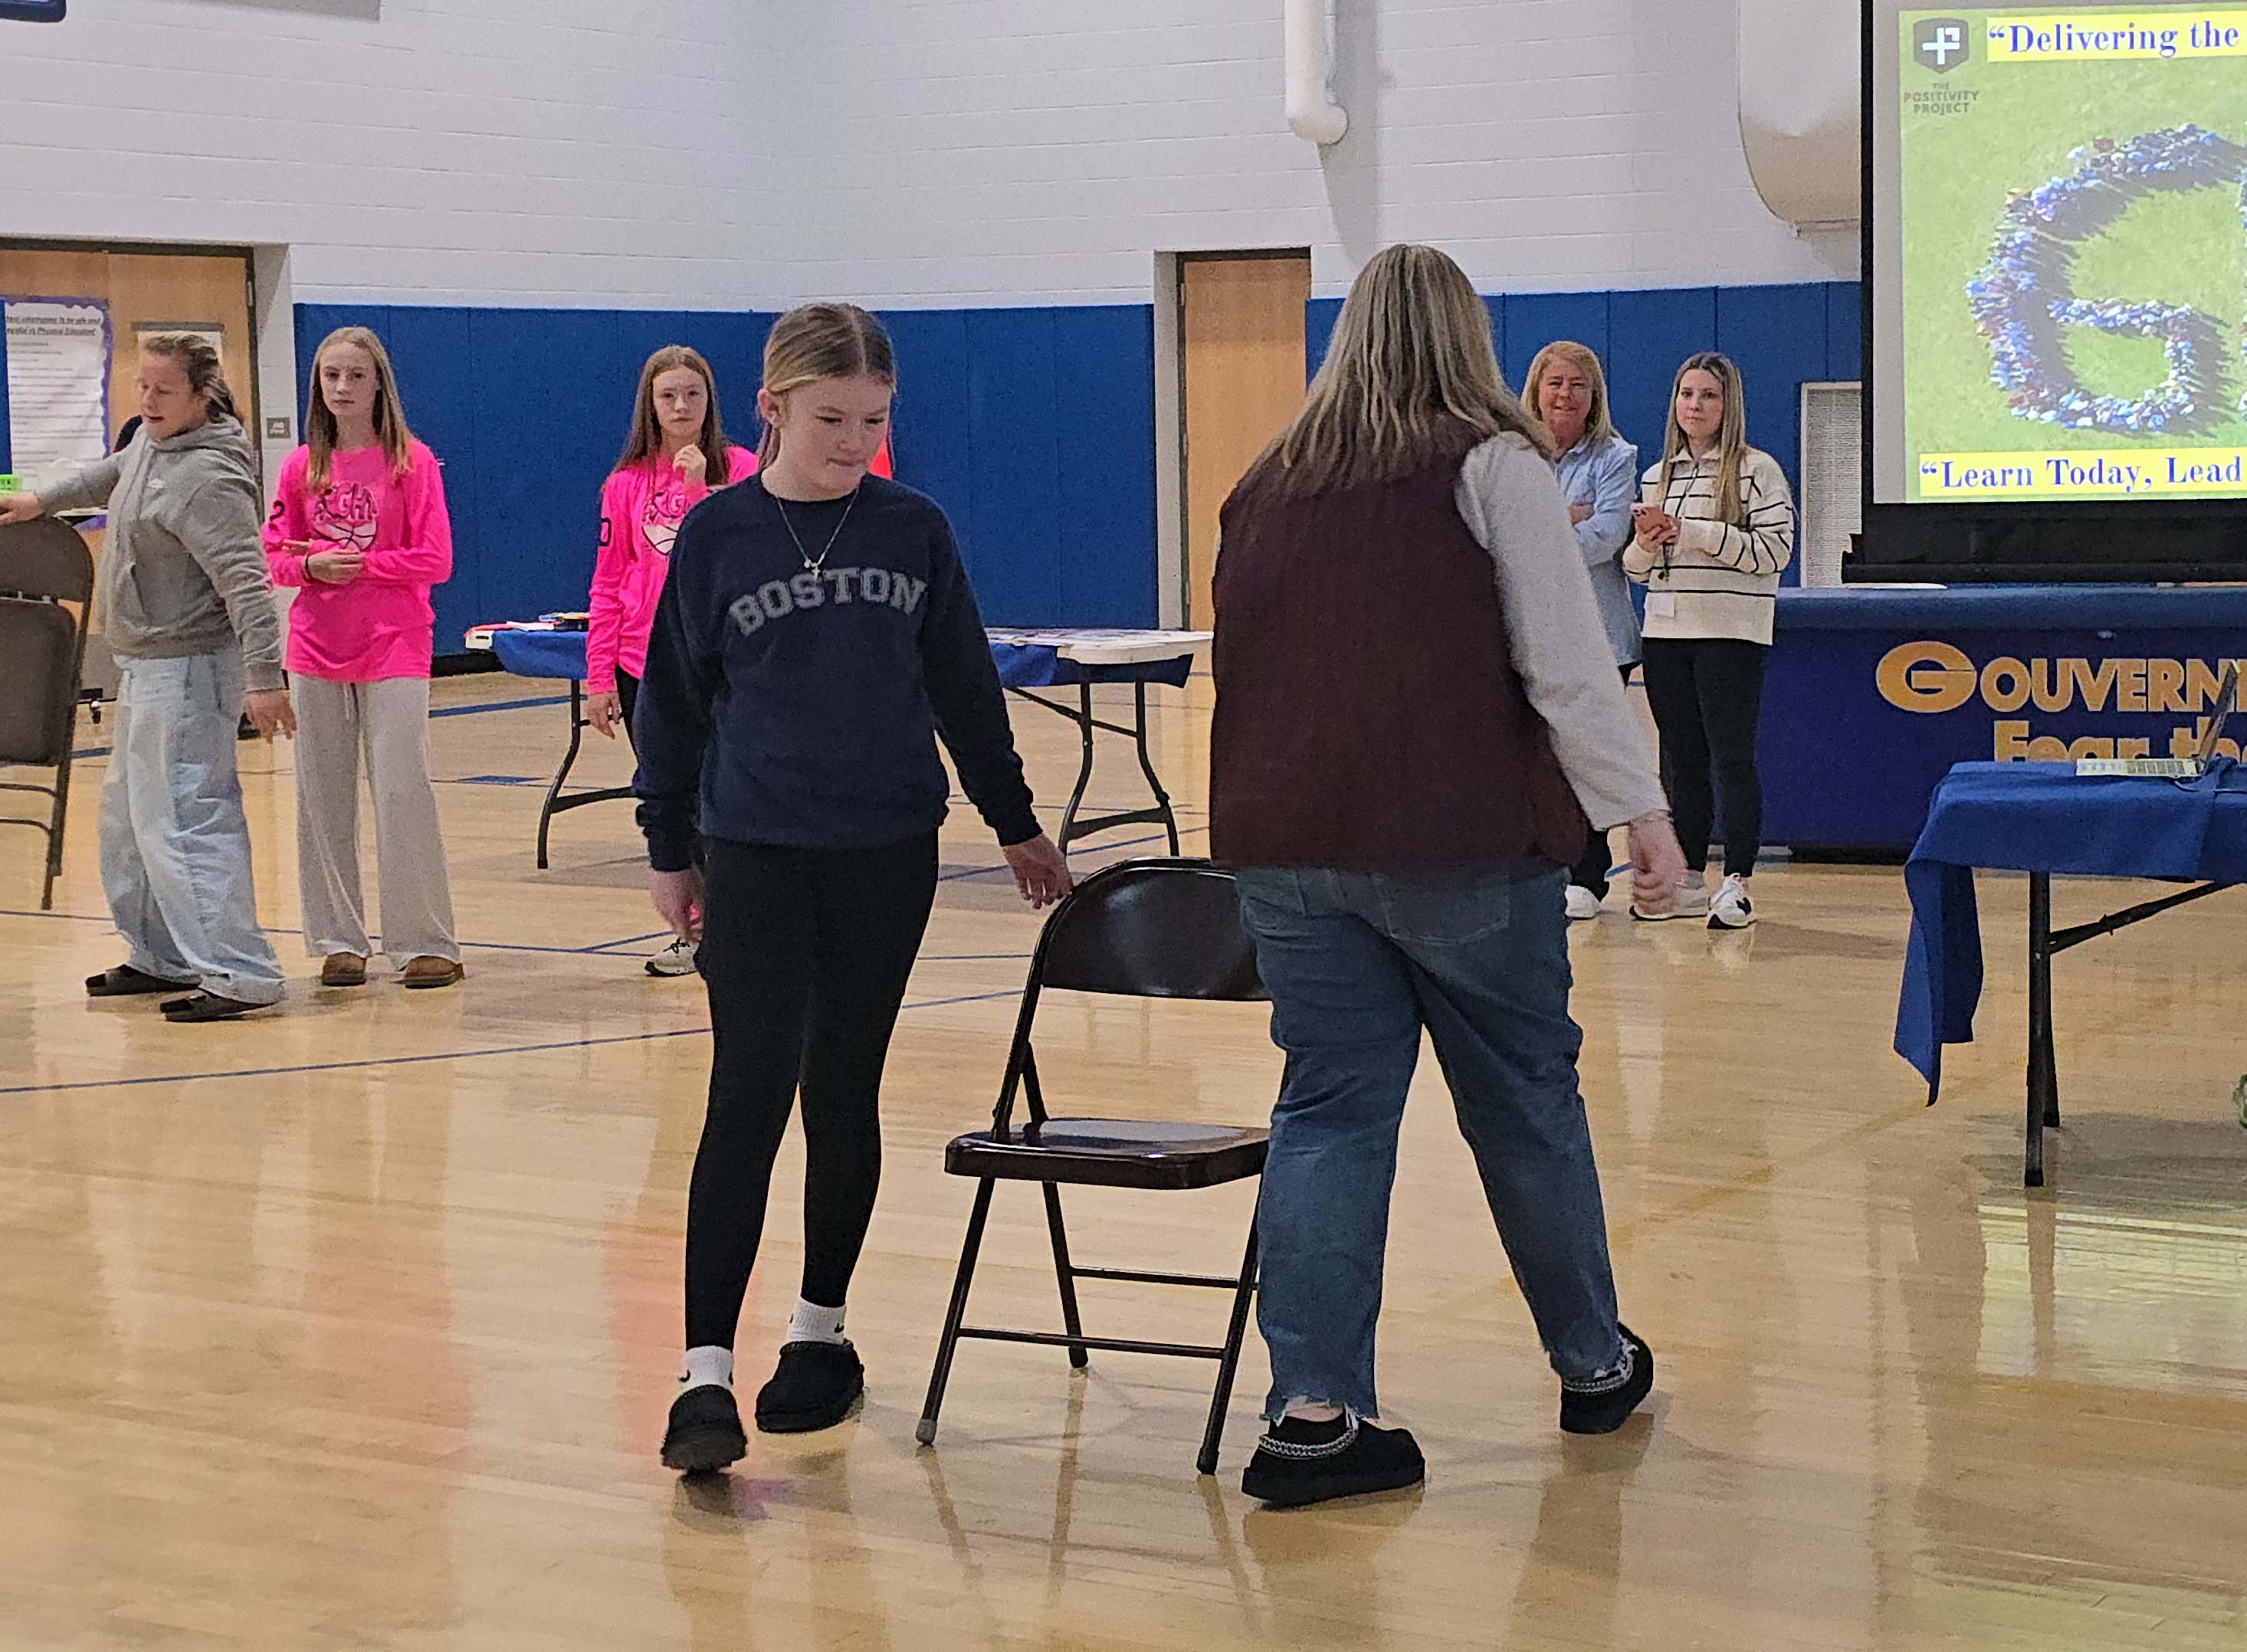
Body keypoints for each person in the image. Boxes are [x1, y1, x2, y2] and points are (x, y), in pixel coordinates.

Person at [1209, 244, 1686, 1509]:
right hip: (1459, 848)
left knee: (1330, 1108)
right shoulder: (1493, 464)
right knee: (1524, 1098)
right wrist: (1642, 815)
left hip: (1286, 852)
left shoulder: (1263, 481)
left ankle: (1311, 1414)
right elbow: (1566, 663)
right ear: (1465, 340)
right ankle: (1591, 1366)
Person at [632, 302, 1073, 1474]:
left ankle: (820, 1335)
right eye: (831, 419)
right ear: (772, 408)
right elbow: (670, 701)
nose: (853, 441)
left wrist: (1018, 825)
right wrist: (668, 844)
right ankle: (702, 1374)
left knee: (844, 1084)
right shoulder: (719, 535)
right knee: (748, 1089)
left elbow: (964, 687)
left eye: (873, 420)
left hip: (886, 850)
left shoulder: (912, 529)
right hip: (755, 848)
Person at [1, 334, 293, 1022]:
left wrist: (264, 677)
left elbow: (248, 587)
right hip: (145, 667)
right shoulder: (153, 445)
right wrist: (40, 501)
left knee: (189, 821)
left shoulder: (211, 479)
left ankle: (240, 972)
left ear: (201, 394)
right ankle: (159, 954)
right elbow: (114, 471)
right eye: (143, 388)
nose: (149, 401)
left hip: (190, 669)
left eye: (164, 391)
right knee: (128, 826)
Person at [263, 326, 462, 990]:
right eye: (331, 377)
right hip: (316, 647)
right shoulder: (300, 469)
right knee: (321, 793)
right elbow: (273, 555)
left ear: (379, 383)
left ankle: (423, 938)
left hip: (396, 642)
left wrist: (363, 567)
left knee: (403, 787)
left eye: (355, 376)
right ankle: (337, 938)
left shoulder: (414, 463)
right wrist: (313, 566)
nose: (343, 388)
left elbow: (434, 559)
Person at [585, 346, 759, 977]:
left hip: (720, 662)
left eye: (693, 394)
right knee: (671, 798)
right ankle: (693, 929)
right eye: (668, 397)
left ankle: (736, 928)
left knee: (727, 799)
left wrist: (695, 489)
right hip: (643, 663)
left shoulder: (741, 470)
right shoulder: (625, 483)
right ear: (650, 405)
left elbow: (735, 553)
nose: (681, 407)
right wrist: (599, 674)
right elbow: (608, 582)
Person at [1623, 352, 1795, 929]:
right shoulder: (1656, 475)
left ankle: (1738, 882)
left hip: (1731, 632)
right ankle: (1690, 877)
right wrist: (1649, 541)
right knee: (1682, 763)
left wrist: (1692, 532)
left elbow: (1775, 552)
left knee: (1731, 759)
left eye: (1708, 396)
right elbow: (1636, 568)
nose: (1695, 406)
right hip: (1667, 633)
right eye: (1687, 394)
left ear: (1729, 407)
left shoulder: (1757, 471)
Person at [1524, 340, 1641, 920]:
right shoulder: (1515, 455)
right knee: (1537, 763)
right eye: (1555, 383)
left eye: (1577, 385)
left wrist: (1536, 527)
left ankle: (1590, 876)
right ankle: (1539, 870)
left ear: (1594, 397)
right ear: (1536, 391)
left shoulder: (1615, 458)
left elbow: (1604, 540)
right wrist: (1566, 516)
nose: (1565, 394)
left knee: (1586, 758)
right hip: (1528, 634)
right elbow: (1494, 534)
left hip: (1600, 637)